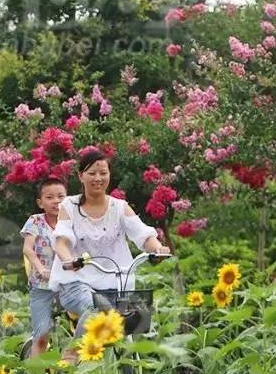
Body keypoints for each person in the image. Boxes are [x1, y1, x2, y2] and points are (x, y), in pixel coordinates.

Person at [50, 147, 170, 362]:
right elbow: (62, 240)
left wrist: (157, 248)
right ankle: (71, 363)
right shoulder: (69, 206)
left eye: (103, 173)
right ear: (80, 176)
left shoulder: (119, 207)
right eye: (92, 173)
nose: (98, 178)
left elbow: (143, 235)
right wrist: (68, 259)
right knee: (97, 311)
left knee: (130, 330)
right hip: (77, 282)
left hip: (117, 284)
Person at [20, 177, 67, 357]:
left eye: (61, 197)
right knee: (41, 335)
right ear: (40, 203)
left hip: (68, 284)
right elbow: (28, 249)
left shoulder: (71, 222)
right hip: (42, 285)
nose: (56, 201)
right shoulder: (35, 221)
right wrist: (40, 268)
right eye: (50, 197)